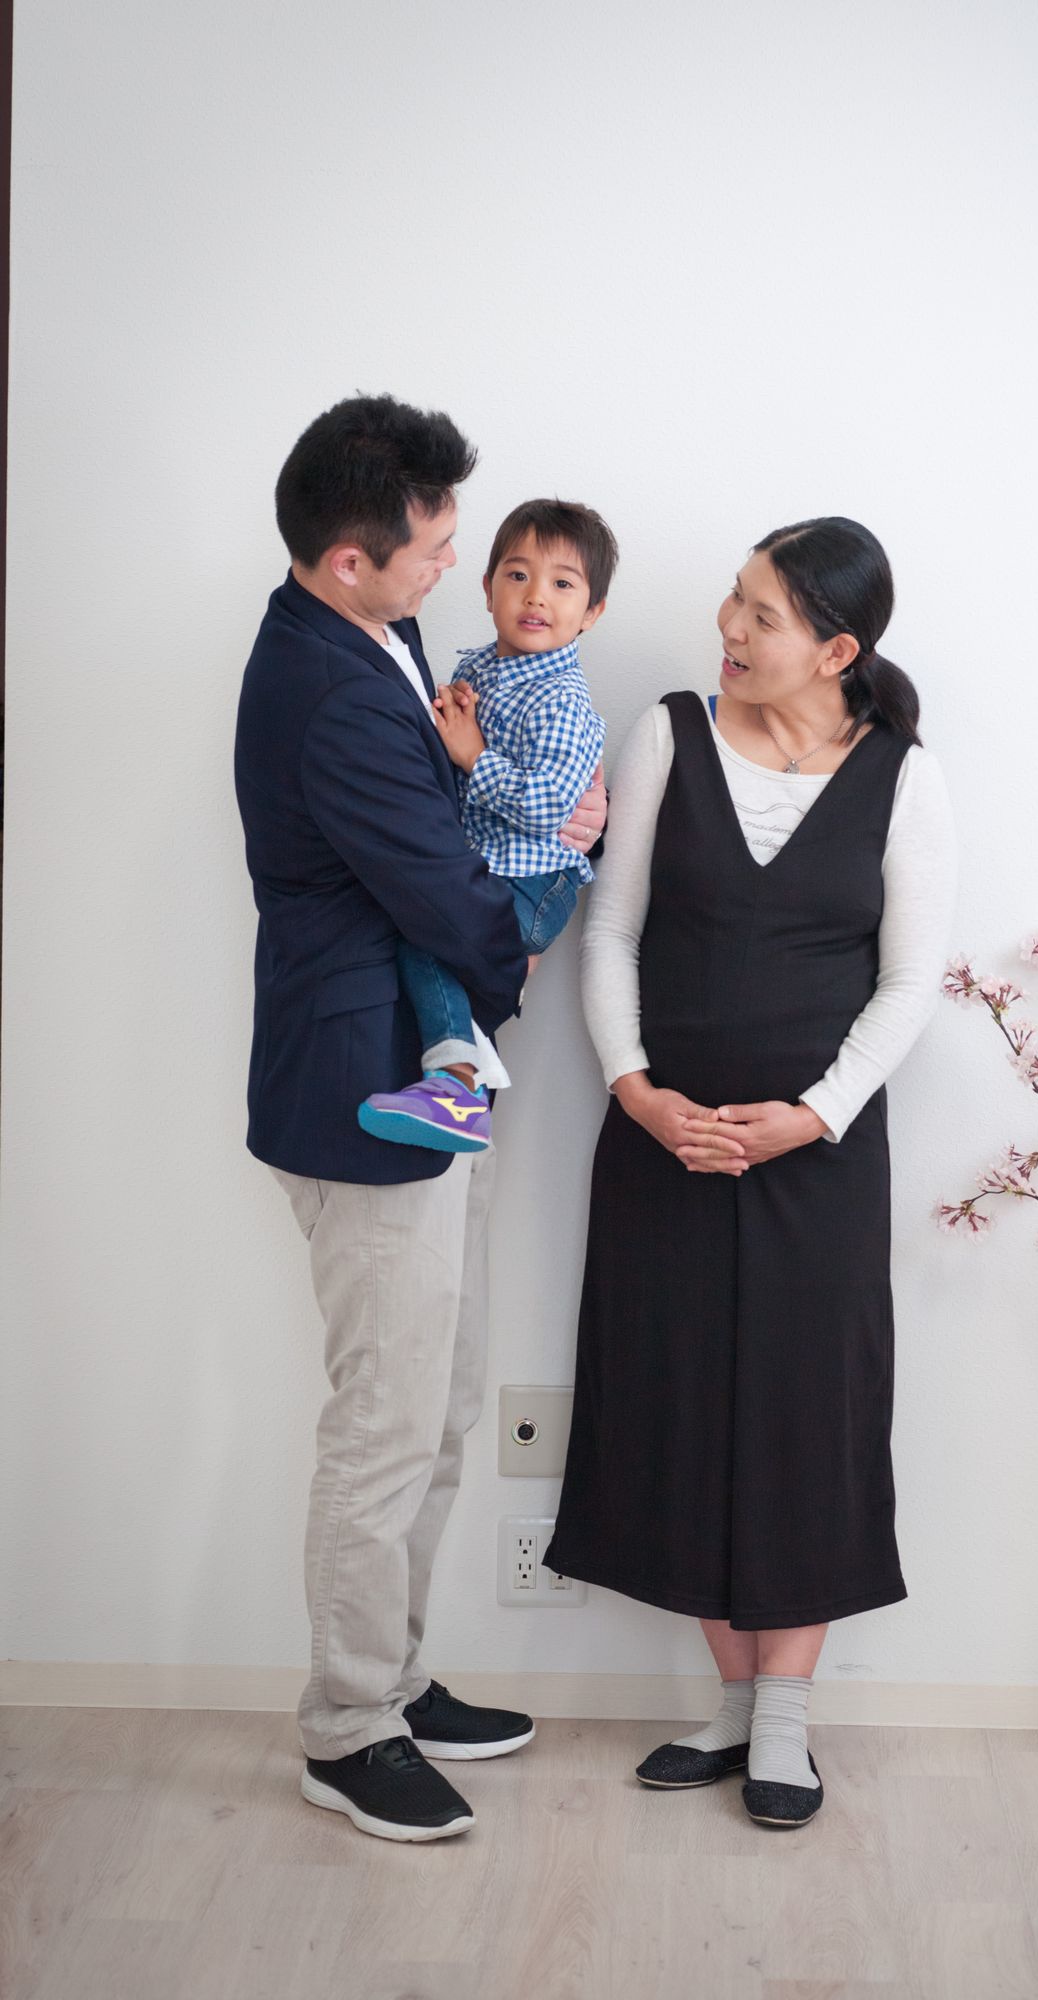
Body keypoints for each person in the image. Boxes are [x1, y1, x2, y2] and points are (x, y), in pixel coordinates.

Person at [543, 516, 956, 1829]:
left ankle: (784, 1717)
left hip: (816, 1167)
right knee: (677, 1404)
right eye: (734, 597)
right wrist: (636, 1090)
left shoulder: (902, 779)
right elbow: (609, 930)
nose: (728, 626)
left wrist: (814, 1115)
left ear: (836, 650)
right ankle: (729, 1705)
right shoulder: (669, 735)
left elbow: (912, 981)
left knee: (806, 1417)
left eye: (761, 614)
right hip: (663, 1147)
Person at [234, 394, 606, 1842]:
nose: (458, 566)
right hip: (365, 1092)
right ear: (350, 559)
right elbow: (440, 893)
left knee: (441, 1401)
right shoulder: (329, 687)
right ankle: (346, 1728)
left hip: (430, 1080)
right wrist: (539, 915)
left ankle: (392, 1676)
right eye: (437, 547)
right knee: (386, 1425)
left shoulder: (372, 634)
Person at [358, 498, 615, 1154]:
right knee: (428, 939)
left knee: (429, 938)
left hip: (534, 881)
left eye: (563, 584)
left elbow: (548, 807)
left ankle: (456, 1084)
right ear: (487, 587)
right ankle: (464, 1074)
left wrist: (473, 754)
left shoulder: (562, 700)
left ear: (592, 612)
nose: (536, 595)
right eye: (518, 574)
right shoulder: (477, 668)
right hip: (488, 867)